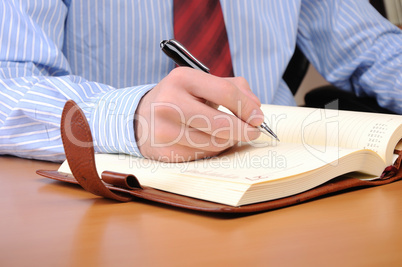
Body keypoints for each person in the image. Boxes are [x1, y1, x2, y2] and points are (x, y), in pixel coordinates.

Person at [0, 0, 401, 162]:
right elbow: (9, 82)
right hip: (123, 190)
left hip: (284, 167)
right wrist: (131, 117)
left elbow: (371, 47)